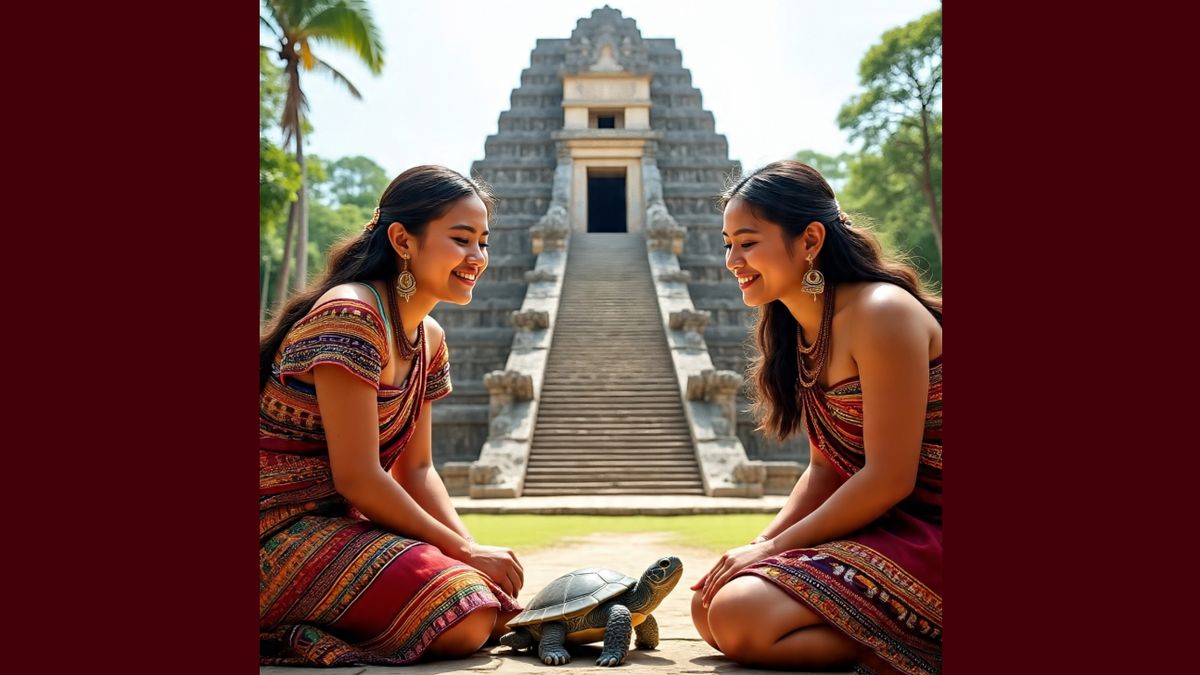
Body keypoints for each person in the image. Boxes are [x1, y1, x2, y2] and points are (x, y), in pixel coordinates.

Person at [259, 165, 524, 666]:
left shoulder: (430, 338)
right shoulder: (352, 314)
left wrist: (472, 549)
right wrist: (464, 557)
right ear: (403, 240)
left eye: (483, 243)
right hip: (272, 532)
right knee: (463, 615)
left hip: (339, 528)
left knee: (491, 604)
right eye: (462, 239)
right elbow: (359, 476)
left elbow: (417, 470)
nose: (477, 258)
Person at [691, 160, 942, 675]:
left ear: (809, 240)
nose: (732, 260)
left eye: (747, 242)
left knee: (740, 614)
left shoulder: (881, 312)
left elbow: (890, 477)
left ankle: (907, 647)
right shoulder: (801, 329)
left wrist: (776, 548)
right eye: (727, 244)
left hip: (932, 526)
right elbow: (825, 469)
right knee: (708, 606)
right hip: (889, 527)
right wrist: (758, 547)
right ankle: (881, 635)